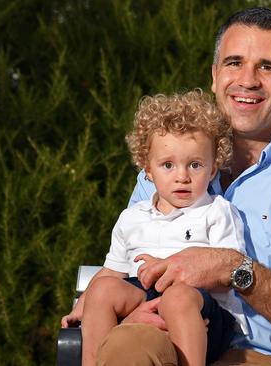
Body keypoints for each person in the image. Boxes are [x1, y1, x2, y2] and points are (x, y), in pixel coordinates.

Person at [96, 7, 271, 366]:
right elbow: (125, 267)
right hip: (163, 331)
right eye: (234, 62)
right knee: (126, 350)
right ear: (214, 75)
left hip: (263, 353)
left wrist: (235, 269)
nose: (248, 80)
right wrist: (125, 316)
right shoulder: (166, 160)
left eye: (267, 67)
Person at [61, 90, 248, 366]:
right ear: (148, 170)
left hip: (201, 311)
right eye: (168, 165)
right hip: (143, 297)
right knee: (103, 291)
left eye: (195, 165)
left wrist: (173, 269)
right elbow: (112, 271)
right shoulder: (132, 218)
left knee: (177, 298)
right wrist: (83, 304)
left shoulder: (216, 212)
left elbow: (228, 271)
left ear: (212, 169)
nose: (182, 176)